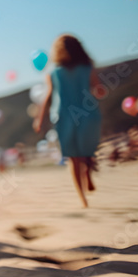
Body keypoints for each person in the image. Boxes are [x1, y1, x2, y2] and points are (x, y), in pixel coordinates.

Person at [33, 34, 101, 207]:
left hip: (68, 116)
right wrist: (40, 118)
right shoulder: (86, 68)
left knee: (76, 157)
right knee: (79, 155)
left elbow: (47, 97)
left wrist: (40, 119)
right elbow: (98, 88)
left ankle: (83, 192)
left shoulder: (55, 73)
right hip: (83, 114)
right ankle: (83, 195)